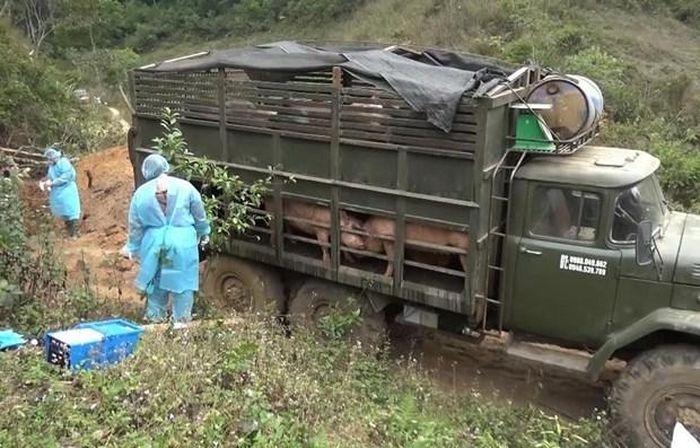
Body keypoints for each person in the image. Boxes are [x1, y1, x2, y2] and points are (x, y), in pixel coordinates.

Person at [121, 154, 210, 328]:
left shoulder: (140, 193)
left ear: (146, 171)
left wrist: (132, 247)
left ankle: (155, 327)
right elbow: (199, 214)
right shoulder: (185, 187)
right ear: (165, 167)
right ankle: (181, 328)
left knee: (156, 285)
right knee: (182, 286)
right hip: (181, 244)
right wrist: (203, 232)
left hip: (154, 245)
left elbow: (135, 225)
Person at [40, 148, 81, 238]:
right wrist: (45, 182)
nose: (48, 160)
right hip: (57, 192)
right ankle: (69, 232)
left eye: (49, 158)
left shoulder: (63, 162)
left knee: (71, 210)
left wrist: (53, 182)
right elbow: (50, 176)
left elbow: (67, 176)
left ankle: (74, 233)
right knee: (64, 212)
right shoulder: (52, 166)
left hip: (67, 190)